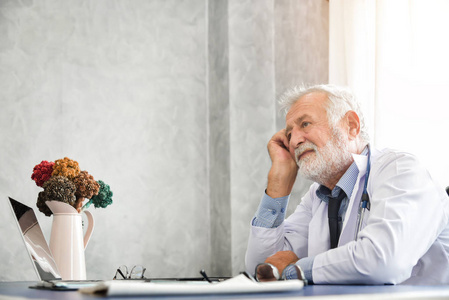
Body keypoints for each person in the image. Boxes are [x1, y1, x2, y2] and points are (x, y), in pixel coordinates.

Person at [245, 84, 449, 285]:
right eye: (289, 134)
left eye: (305, 124)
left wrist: (297, 269)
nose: (294, 141)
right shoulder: (317, 196)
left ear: (351, 126)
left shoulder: (401, 171)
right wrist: (278, 182)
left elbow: (382, 261)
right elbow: (265, 267)